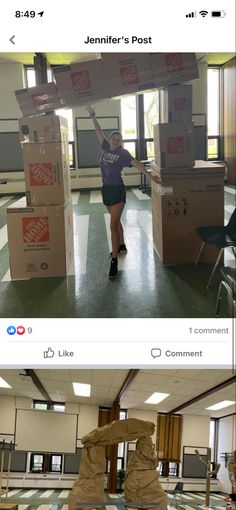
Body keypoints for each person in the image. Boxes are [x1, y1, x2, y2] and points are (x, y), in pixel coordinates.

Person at [86, 105, 150, 279]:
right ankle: (121, 246)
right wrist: (92, 114)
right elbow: (98, 131)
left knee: (113, 225)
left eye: (118, 139)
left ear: (121, 142)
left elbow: (137, 163)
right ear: (110, 140)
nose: (115, 141)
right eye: (113, 138)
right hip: (106, 190)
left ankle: (114, 259)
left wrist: (151, 177)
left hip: (118, 190)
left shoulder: (123, 153)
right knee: (116, 221)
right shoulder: (105, 148)